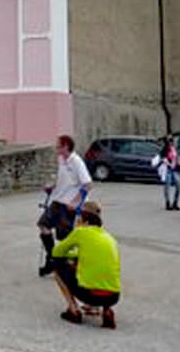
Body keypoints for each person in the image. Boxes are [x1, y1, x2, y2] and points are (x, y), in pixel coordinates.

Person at [51, 200, 120, 329]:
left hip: (89, 294)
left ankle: (74, 310)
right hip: (114, 296)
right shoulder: (110, 238)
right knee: (99, 268)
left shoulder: (81, 232)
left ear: (83, 217)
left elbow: (57, 252)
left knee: (57, 266)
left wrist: (72, 252)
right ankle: (106, 310)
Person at [38, 135, 92, 277]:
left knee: (64, 237)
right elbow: (65, 180)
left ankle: (65, 265)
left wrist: (75, 202)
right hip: (57, 200)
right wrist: (52, 186)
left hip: (68, 204)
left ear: (66, 146)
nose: (56, 148)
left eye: (58, 146)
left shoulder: (77, 161)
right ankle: (52, 258)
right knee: (43, 226)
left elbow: (88, 184)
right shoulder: (61, 159)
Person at [156, 136, 180, 211]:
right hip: (168, 169)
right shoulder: (164, 149)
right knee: (167, 186)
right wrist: (169, 163)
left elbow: (176, 158)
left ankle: (175, 203)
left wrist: (178, 162)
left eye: (172, 141)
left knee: (178, 185)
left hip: (174, 169)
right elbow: (163, 158)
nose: (171, 143)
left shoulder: (174, 149)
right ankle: (167, 202)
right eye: (170, 141)